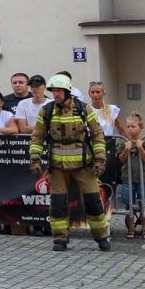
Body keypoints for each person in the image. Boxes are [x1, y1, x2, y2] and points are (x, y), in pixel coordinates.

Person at [28, 74, 109, 252]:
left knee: (93, 202)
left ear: (67, 91)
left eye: (58, 90)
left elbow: (97, 135)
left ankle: (102, 237)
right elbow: (37, 137)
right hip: (57, 168)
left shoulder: (83, 109)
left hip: (84, 167)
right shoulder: (46, 111)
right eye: (53, 90)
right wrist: (34, 159)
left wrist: (100, 159)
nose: (55, 94)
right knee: (58, 204)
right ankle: (60, 239)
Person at [115, 112, 145, 239]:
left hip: (143, 179)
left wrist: (140, 147)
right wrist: (127, 149)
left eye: (133, 126)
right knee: (129, 206)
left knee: (144, 205)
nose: (130, 129)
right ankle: (131, 230)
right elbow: (120, 160)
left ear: (140, 127)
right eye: (128, 127)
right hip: (128, 178)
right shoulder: (123, 142)